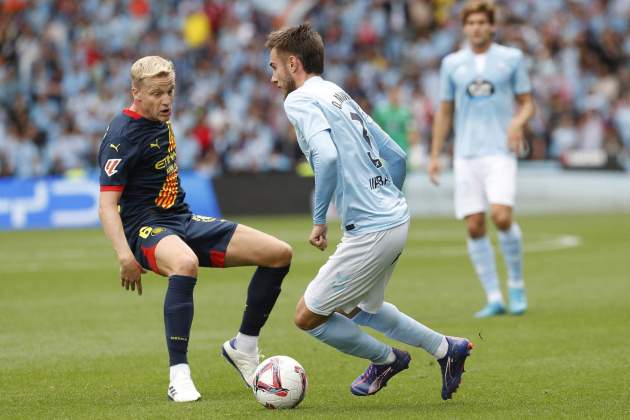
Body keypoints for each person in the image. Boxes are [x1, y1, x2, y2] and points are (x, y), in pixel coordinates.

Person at [266, 23, 472, 400]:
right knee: (361, 309)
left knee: (308, 317)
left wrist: (318, 220)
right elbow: (396, 154)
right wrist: (384, 196)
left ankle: (386, 359)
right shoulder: (336, 92)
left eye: (274, 67)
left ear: (293, 63)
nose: (273, 77)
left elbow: (326, 157)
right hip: (395, 218)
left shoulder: (299, 101)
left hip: (372, 230)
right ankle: (446, 348)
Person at [97, 56, 292, 402]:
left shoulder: (161, 119)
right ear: (136, 93)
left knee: (278, 254)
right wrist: (124, 255)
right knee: (184, 264)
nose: (167, 100)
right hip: (145, 228)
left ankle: (244, 347)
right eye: (157, 93)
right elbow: (107, 204)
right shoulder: (121, 136)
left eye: (170, 91)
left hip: (182, 220)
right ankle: (179, 375)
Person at [429, 0, 535, 318]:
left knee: (501, 216)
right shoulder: (452, 63)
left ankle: (516, 284)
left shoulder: (511, 58)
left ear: (491, 26)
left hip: (500, 150)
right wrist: (435, 154)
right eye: (471, 23)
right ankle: (494, 296)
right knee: (475, 225)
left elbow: (527, 102)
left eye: (481, 22)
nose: (476, 27)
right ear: (465, 28)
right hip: (466, 153)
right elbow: (445, 110)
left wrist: (518, 122)